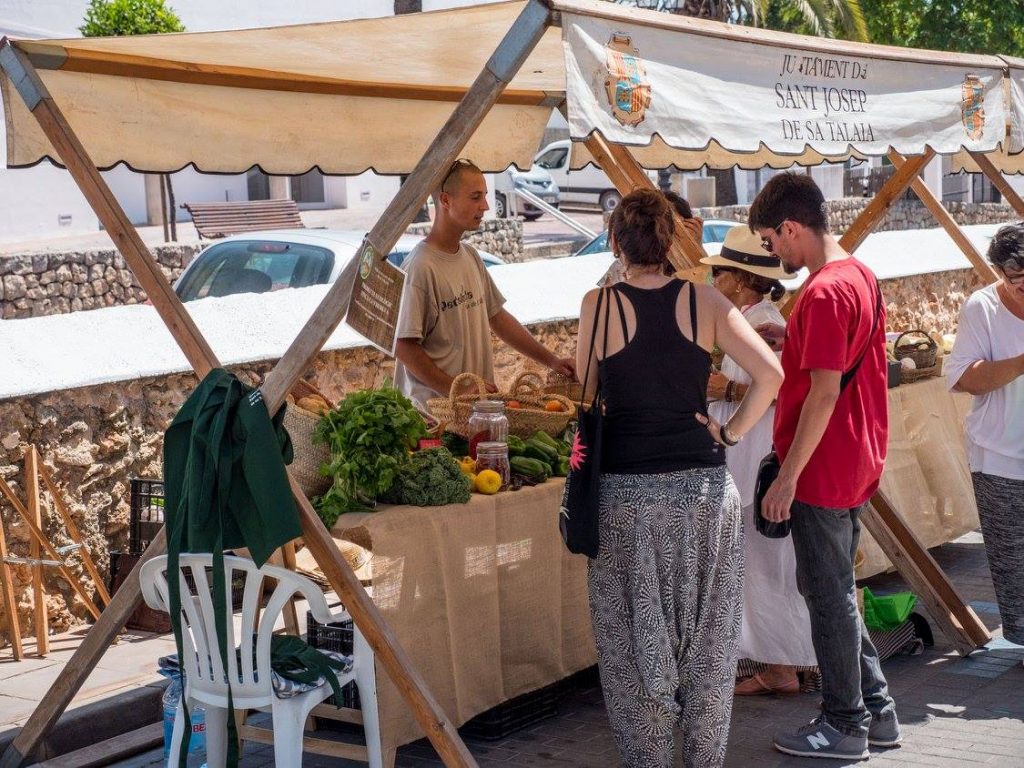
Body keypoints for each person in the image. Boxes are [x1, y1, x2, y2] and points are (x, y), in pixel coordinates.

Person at [578, 189, 782, 768]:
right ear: (672, 242)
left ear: (617, 241)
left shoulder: (600, 305)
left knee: (633, 649)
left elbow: (589, 393)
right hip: (704, 496)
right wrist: (731, 433)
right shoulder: (708, 302)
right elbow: (772, 375)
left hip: (625, 496)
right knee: (709, 650)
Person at [750, 172, 900, 760]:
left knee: (828, 595)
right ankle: (878, 712)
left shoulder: (823, 290)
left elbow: (823, 393)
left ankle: (845, 723)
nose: (773, 253)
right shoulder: (857, 275)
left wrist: (787, 477)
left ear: (790, 229)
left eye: (771, 241)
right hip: (853, 457)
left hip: (823, 466)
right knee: (835, 588)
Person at [702, 227, 817, 696]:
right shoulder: (752, 318)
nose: (713, 280)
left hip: (754, 458)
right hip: (746, 457)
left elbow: (783, 392)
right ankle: (777, 661)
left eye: (720, 273)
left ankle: (782, 667)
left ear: (740, 278)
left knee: (767, 566)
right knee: (760, 566)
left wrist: (722, 391)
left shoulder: (761, 322)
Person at [394, 159, 574, 409]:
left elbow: (497, 317)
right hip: (433, 418)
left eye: (485, 196)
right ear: (445, 201)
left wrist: (552, 361)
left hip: (473, 413)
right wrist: (455, 390)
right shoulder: (421, 267)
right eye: (475, 197)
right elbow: (403, 346)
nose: (485, 206)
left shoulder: (470, 256)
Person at [945, 223, 1024, 648]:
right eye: (1018, 283)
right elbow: (964, 379)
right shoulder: (982, 308)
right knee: (1013, 561)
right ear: (999, 272)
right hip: (998, 455)